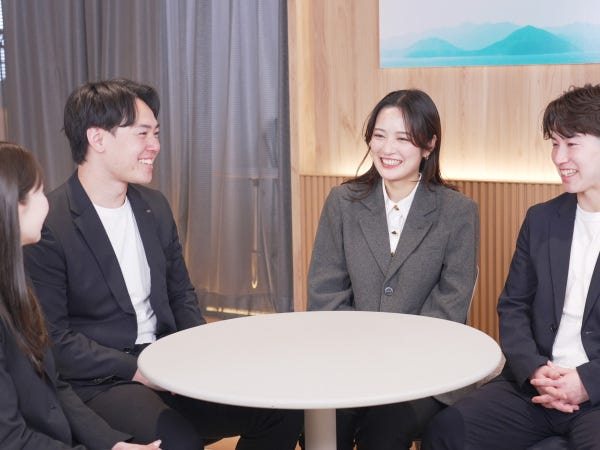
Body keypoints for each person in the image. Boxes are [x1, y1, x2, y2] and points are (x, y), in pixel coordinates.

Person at [23, 79, 302, 450]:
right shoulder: (49, 223)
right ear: (98, 138)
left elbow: (181, 294)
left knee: (282, 409)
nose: (154, 145)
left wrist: (202, 354)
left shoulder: (153, 206)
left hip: (169, 364)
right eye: (142, 134)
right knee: (180, 442)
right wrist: (138, 369)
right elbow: (54, 339)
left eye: (155, 133)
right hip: (103, 382)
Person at [423, 84, 600, 450]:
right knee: (448, 429)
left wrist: (587, 382)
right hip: (535, 384)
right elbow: (513, 306)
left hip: (596, 395)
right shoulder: (542, 219)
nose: (559, 157)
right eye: (554, 143)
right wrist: (535, 369)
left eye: (571, 143)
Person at [306, 89, 479, 449]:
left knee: (383, 432)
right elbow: (325, 294)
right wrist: (363, 356)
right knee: (318, 428)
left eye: (403, 138)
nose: (388, 148)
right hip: (347, 361)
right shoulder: (343, 202)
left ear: (428, 145)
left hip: (424, 370)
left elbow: (450, 307)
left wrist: (394, 358)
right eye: (379, 135)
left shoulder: (458, 212)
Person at [0, 142, 162, 449]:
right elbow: (9, 439)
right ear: (12, 205)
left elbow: (53, 386)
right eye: (39, 192)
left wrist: (113, 444)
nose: (47, 203)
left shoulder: (18, 283)